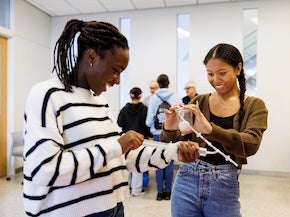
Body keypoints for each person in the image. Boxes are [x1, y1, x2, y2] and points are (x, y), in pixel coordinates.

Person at [23, 19, 200, 217]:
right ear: (92, 57)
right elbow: (45, 170)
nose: (117, 80)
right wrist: (118, 146)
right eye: (115, 70)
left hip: (113, 208)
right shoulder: (47, 95)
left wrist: (172, 152)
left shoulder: (100, 102)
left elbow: (121, 157)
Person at [160, 43, 268, 217]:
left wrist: (211, 129)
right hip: (187, 177)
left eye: (222, 73)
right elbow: (170, 144)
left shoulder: (254, 105)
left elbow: (251, 144)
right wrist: (170, 128)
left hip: (224, 182)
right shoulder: (199, 101)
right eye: (210, 74)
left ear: (238, 68)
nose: (215, 80)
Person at [145, 73, 181, 201]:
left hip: (156, 134)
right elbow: (180, 117)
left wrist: (151, 126)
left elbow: (149, 120)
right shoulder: (176, 97)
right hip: (171, 132)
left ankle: (159, 192)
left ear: (158, 84)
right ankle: (168, 192)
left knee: (158, 162)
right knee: (170, 162)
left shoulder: (154, 98)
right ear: (168, 83)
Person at [117, 87, 151, 197]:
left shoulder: (124, 109)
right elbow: (147, 125)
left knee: (126, 165)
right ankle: (136, 190)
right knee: (138, 165)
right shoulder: (144, 109)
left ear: (130, 95)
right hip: (140, 140)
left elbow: (119, 123)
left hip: (126, 140)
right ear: (140, 96)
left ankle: (126, 189)